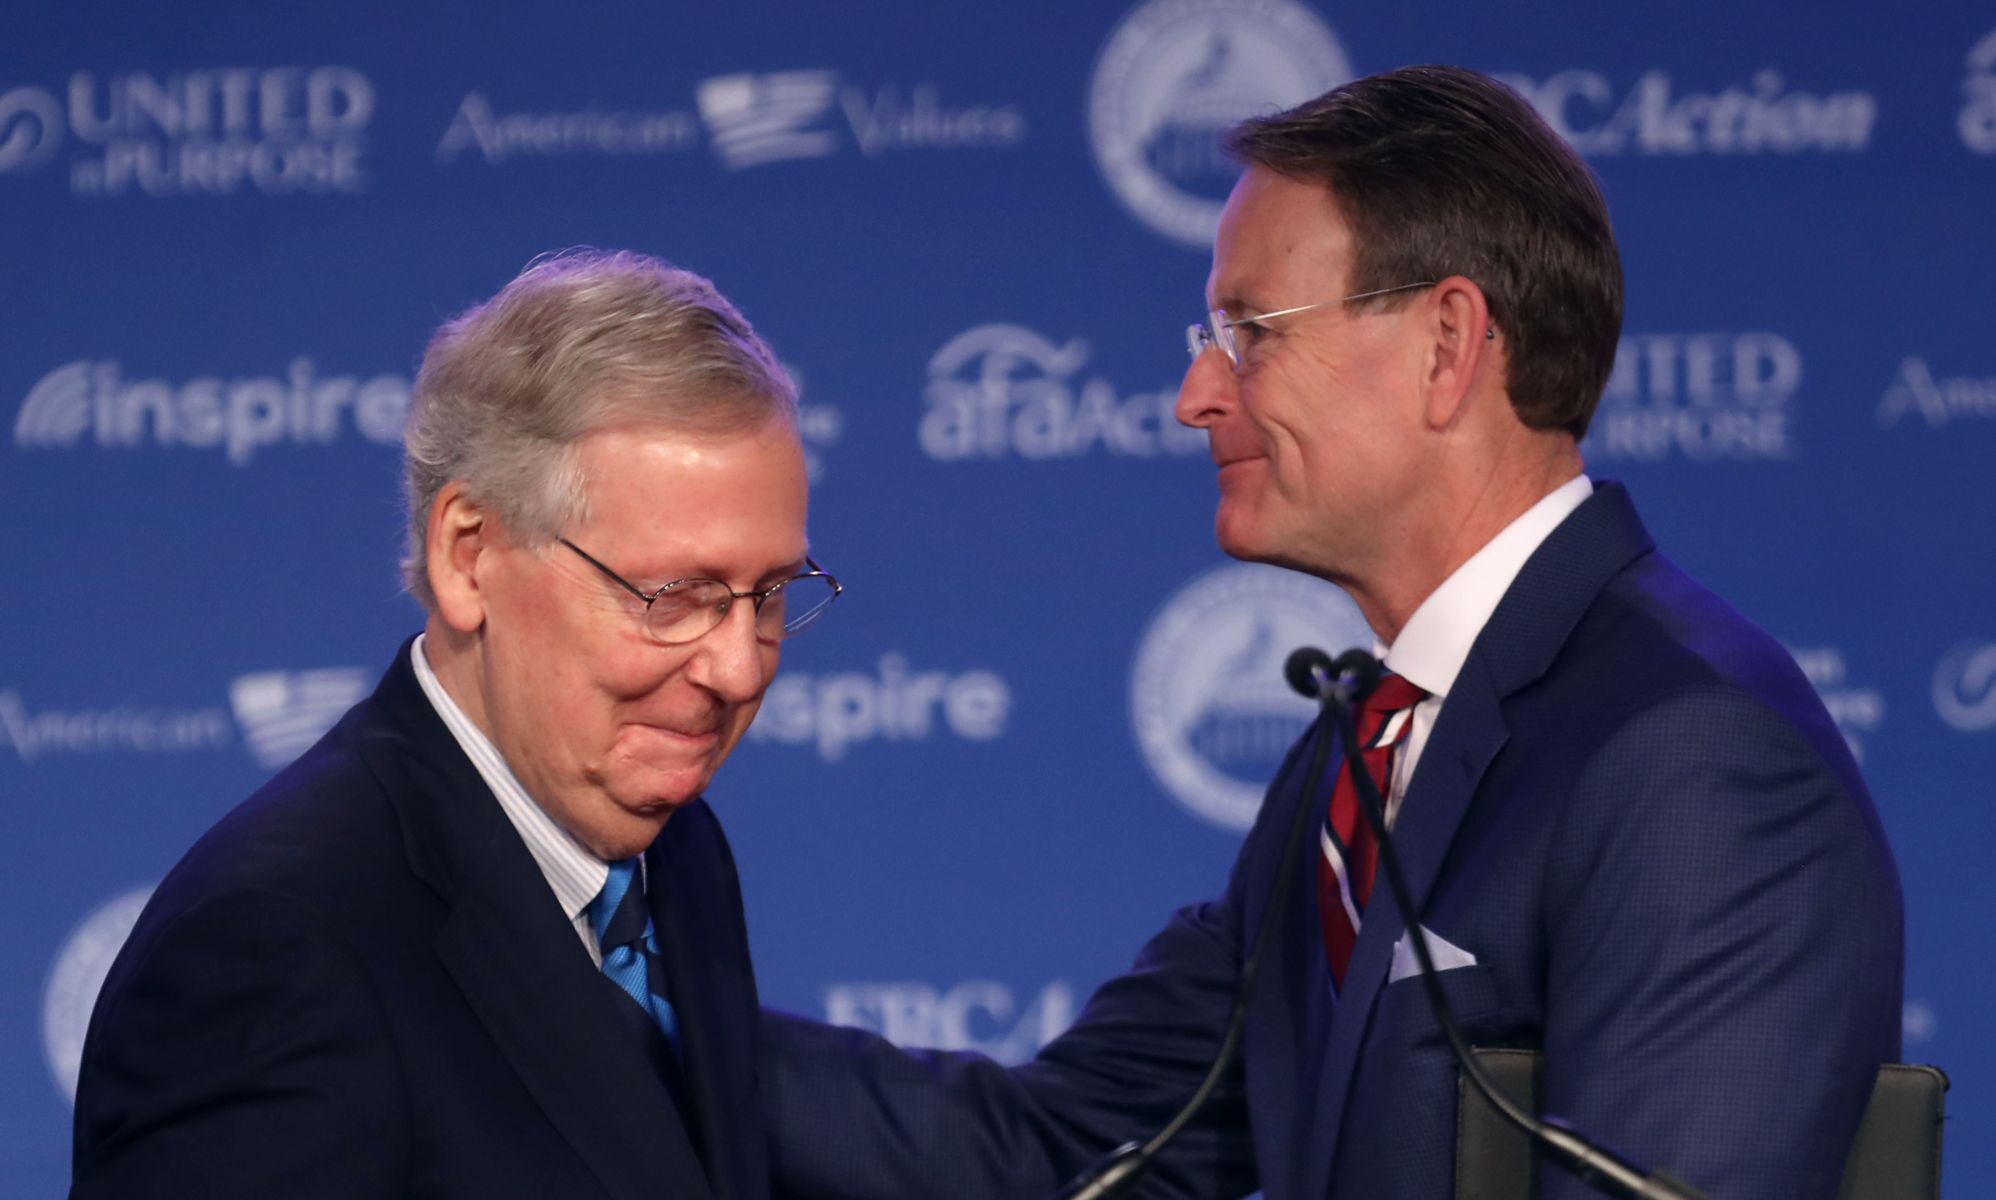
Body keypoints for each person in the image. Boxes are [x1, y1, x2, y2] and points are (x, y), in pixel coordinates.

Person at [758, 66, 1903, 1199]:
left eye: (1252, 331)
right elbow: (1073, 1148)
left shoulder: (1692, 760)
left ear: (1447, 348)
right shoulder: (1369, 744)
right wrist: (628, 1024)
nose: (1195, 394)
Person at [71, 249, 840, 1200]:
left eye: (767, 594)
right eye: (674, 596)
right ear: (469, 557)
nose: (737, 667)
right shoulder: (274, 949)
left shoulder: (672, 853)